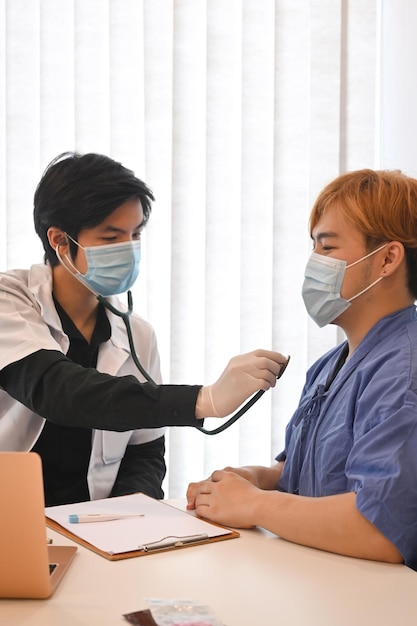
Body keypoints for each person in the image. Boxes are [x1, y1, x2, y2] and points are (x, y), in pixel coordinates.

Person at [0, 151, 286, 506]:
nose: (129, 250)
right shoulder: (9, 301)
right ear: (59, 240)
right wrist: (203, 399)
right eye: (110, 237)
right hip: (10, 522)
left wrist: (126, 519)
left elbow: (145, 452)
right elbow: (57, 391)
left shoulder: (137, 335)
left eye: (135, 235)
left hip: (90, 528)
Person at [187, 168, 417, 572]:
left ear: (387, 259)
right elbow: (302, 470)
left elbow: (379, 528)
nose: (314, 264)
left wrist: (255, 504)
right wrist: (251, 478)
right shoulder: (331, 366)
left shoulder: (405, 372)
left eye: (327, 248)